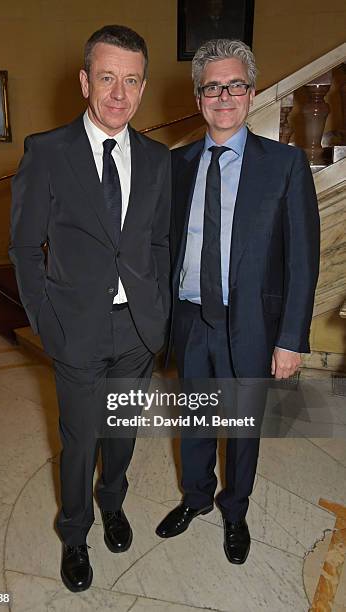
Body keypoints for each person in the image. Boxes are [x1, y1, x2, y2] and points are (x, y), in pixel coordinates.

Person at [9, 25, 171, 592]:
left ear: (143, 87)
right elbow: (26, 249)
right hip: (74, 328)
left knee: (122, 429)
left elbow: (158, 244)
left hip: (136, 329)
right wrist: (46, 325)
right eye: (107, 78)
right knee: (80, 438)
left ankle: (113, 503)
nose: (119, 94)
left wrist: (158, 313)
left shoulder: (156, 159)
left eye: (131, 81)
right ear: (85, 81)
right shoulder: (46, 152)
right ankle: (75, 532)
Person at [156, 39, 320, 564]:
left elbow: (302, 260)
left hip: (251, 323)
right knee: (195, 419)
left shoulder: (286, 166)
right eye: (212, 87)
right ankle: (197, 497)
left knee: (243, 428)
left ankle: (235, 510)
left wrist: (291, 339)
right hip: (189, 318)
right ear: (198, 96)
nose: (223, 96)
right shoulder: (176, 165)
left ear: (251, 93)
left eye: (235, 85)